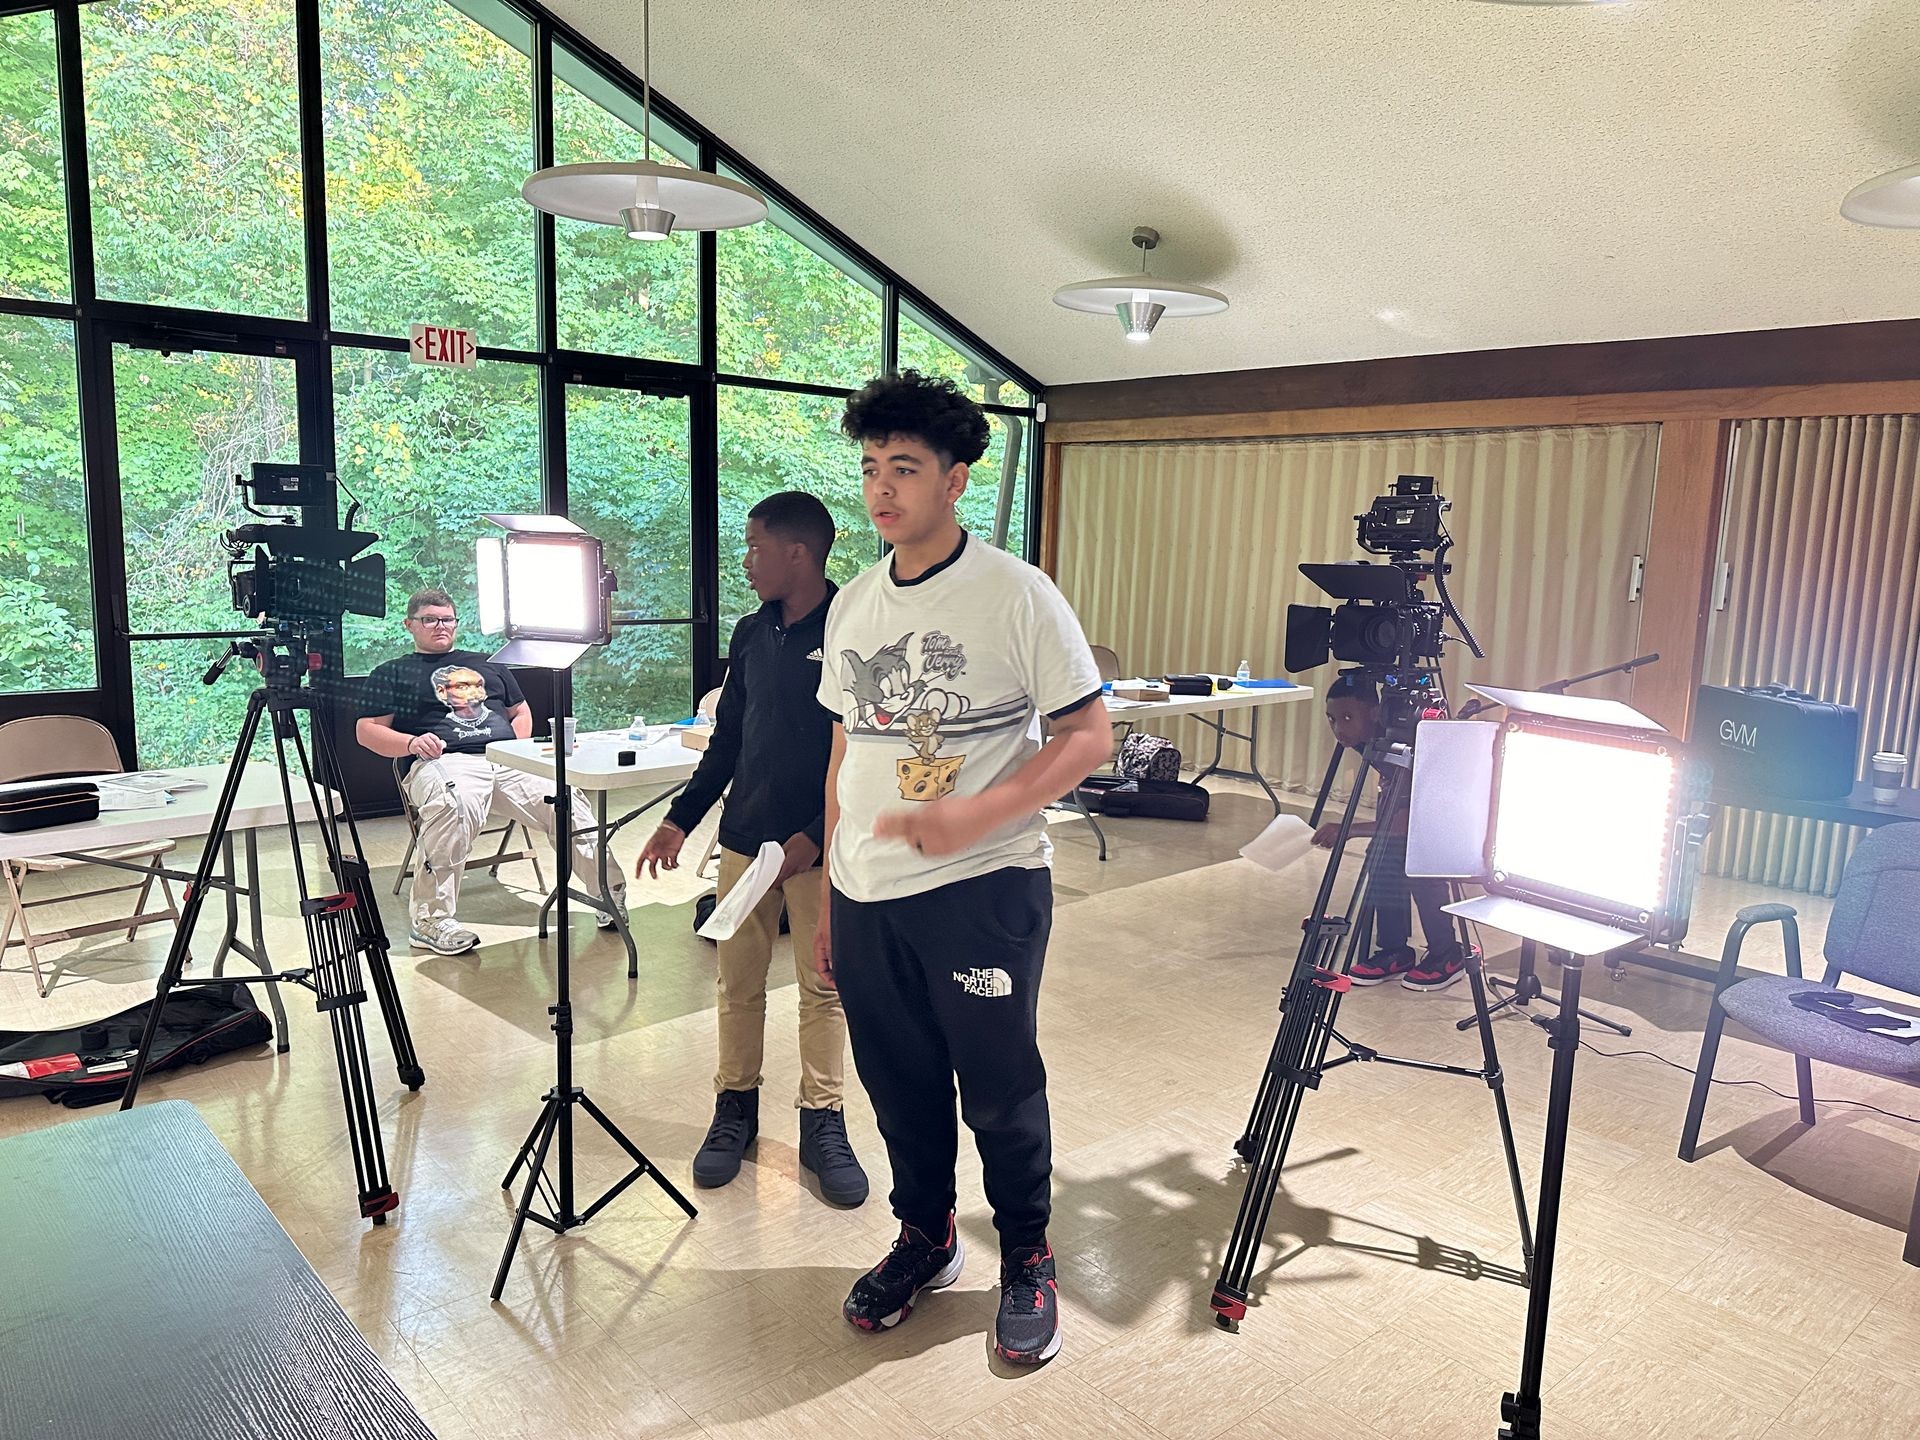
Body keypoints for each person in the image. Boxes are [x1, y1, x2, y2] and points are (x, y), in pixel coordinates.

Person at [814, 371, 1112, 1366]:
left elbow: (1087, 736)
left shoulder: (1016, 595)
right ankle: (926, 1236)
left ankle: (1026, 1252)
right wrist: (828, 899)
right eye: (869, 468)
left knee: (997, 1084)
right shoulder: (853, 605)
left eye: (904, 467)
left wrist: (978, 811)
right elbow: (842, 752)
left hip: (983, 889)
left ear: (957, 480)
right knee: (897, 1086)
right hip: (865, 897)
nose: (881, 488)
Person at [634, 492, 867, 1207]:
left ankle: (822, 1120)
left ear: (797, 553)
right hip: (744, 846)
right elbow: (730, 740)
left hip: (821, 850)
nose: (744, 561)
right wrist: (681, 819)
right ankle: (734, 1107)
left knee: (824, 991)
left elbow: (866, 755)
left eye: (754, 547)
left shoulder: (857, 629)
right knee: (737, 987)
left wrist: (814, 837)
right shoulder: (749, 632)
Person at [357, 587, 625, 956]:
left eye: (447, 619)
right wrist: (410, 743)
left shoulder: (489, 662)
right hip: (442, 762)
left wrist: (514, 750)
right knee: (454, 804)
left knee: (567, 799)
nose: (441, 626)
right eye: (430, 619)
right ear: (409, 625)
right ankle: (430, 922)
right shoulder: (391, 672)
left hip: (507, 759)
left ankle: (607, 896)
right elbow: (366, 729)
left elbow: (520, 712)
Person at [1312, 673, 1464, 990]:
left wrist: (1348, 829)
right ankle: (1395, 950)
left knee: (1421, 870)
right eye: (1332, 719)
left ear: (1376, 713)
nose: (1339, 728)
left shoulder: (1405, 741)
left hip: (1450, 813)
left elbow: (1408, 821)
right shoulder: (1366, 740)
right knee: (1382, 859)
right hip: (1414, 810)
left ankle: (1448, 954)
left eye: (1348, 717)